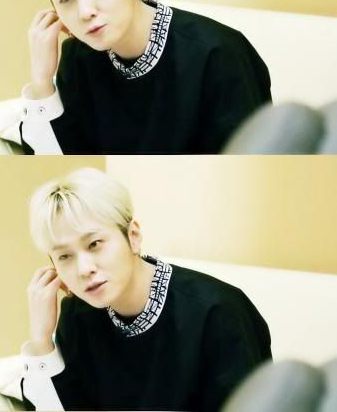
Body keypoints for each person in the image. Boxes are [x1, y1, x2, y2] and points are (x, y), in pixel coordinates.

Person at [19, 0, 272, 154]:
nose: (85, 12)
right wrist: (42, 83)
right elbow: (68, 161)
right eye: (65, 0)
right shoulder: (78, 58)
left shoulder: (218, 54)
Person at [21, 167, 272, 411]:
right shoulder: (78, 314)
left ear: (133, 236)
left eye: (94, 243)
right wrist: (41, 341)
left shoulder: (217, 312)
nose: (84, 269)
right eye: (65, 256)